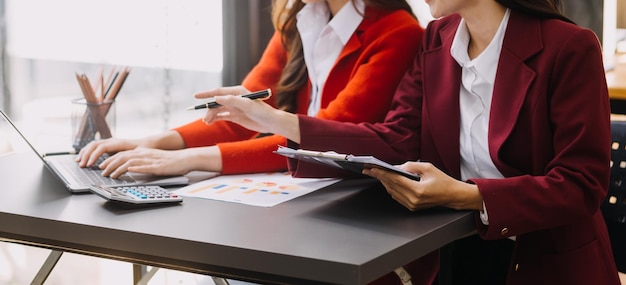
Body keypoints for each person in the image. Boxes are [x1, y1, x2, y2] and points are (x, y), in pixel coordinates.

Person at [198, 0, 622, 283]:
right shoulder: (436, 38)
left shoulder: (570, 48)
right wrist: (279, 122)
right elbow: (397, 139)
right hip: (457, 252)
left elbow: (580, 185)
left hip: (548, 264)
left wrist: (467, 195)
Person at [77, 0, 438, 284]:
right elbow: (241, 118)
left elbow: (321, 139)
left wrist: (190, 159)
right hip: (297, 210)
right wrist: (153, 142)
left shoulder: (397, 32)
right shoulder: (301, 20)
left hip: (351, 221)